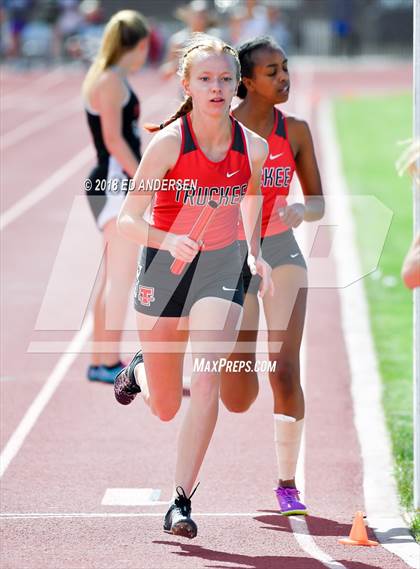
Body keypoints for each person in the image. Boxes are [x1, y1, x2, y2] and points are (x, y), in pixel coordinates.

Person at [115, 33, 273, 538]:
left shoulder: (254, 146)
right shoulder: (167, 143)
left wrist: (253, 250)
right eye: (205, 79)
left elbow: (250, 198)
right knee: (164, 406)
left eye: (226, 79)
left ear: (238, 87)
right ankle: (140, 372)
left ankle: (180, 502)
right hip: (164, 268)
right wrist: (170, 237)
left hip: (221, 267)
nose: (217, 88)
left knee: (205, 378)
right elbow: (126, 220)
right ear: (187, 84)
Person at [220, 37, 324, 516]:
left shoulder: (295, 131)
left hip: (281, 251)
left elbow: (318, 200)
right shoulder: (220, 129)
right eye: (272, 72)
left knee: (284, 369)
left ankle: (287, 484)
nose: (284, 78)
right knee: (239, 395)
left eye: (286, 68)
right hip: (230, 256)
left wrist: (302, 209)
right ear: (246, 82)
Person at [81, 10, 149, 383]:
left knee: (114, 276)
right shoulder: (110, 81)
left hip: (116, 183)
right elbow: (112, 139)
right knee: (120, 278)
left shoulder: (114, 78)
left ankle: (102, 358)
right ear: (138, 46)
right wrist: (145, 178)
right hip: (114, 186)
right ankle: (104, 361)